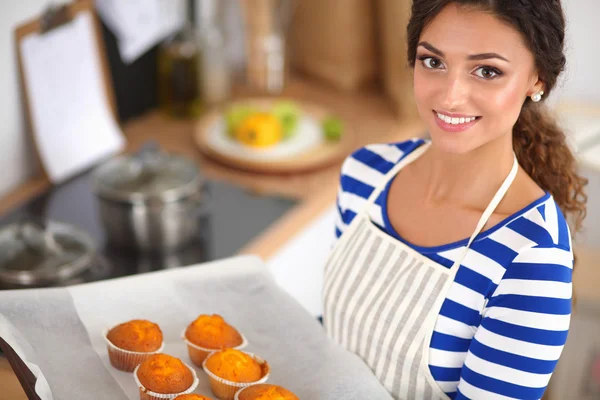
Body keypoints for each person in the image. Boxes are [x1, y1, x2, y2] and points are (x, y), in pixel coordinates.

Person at [322, 1, 588, 399]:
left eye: (487, 71)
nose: (450, 97)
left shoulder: (532, 258)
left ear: (537, 80)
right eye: (433, 62)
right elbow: (335, 337)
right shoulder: (367, 173)